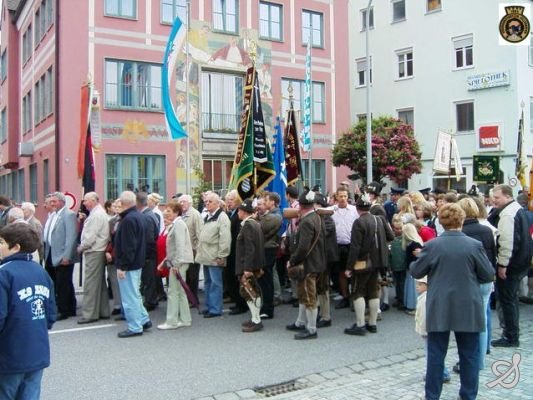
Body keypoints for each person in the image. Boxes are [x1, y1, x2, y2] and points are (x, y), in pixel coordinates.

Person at [410, 203, 494, 400]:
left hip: (440, 304)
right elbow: (488, 274)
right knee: (469, 355)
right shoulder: (474, 245)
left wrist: (418, 258)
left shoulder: (432, 245)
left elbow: (416, 271)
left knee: (436, 354)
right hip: (467, 304)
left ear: (441, 222)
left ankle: (432, 396)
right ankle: (468, 395)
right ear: (461, 220)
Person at [0, 223, 56, 399]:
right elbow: (51, 314)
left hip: (9, 353)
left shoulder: (4, 274)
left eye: (1, 242)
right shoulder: (41, 272)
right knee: (30, 394)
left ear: (15, 247)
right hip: (37, 350)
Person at [344, 193, 394, 336]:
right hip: (378, 262)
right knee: (373, 291)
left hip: (362, 262)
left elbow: (355, 248)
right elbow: (390, 236)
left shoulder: (359, 222)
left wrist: (349, 267)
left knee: (358, 291)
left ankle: (360, 324)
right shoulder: (379, 219)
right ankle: (372, 323)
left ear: (357, 208)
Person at [488, 184, 531, 347]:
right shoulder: (516, 209)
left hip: (512, 263)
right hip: (520, 261)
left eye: (497, 197)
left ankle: (511, 336)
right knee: (510, 299)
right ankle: (511, 334)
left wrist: (503, 264)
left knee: (507, 300)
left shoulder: (508, 214)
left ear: (507, 195)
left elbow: (507, 242)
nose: (494, 201)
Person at [286, 190, 326, 340]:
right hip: (314, 262)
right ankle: (301, 322)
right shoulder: (316, 217)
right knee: (304, 294)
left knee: (309, 297)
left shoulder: (307, 221)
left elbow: (303, 247)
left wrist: (293, 260)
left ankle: (311, 329)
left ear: (301, 206)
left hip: (308, 264)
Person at [114, 191, 151, 338]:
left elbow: (129, 246)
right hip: (137, 262)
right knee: (134, 294)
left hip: (129, 264)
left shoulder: (128, 219)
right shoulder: (139, 216)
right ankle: (143, 319)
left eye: (118, 203)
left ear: (123, 204)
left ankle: (135, 326)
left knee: (129, 297)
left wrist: (122, 266)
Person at [157, 200, 194, 330]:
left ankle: (171, 321)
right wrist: (164, 262)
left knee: (173, 292)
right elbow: (173, 248)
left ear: (176, 212)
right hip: (179, 262)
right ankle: (185, 319)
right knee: (180, 291)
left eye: (169, 211)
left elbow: (179, 245)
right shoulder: (176, 224)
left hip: (179, 263)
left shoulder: (178, 224)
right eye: (166, 210)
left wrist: (176, 264)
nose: (166, 212)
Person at [43, 192, 78, 321]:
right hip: (52, 253)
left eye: (54, 201)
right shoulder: (54, 215)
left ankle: (65, 310)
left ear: (62, 202)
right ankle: (67, 307)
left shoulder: (68, 215)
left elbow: (71, 237)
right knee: (60, 282)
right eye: (51, 201)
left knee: (63, 283)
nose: (52, 204)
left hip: (63, 255)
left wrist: (67, 256)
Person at [77, 192, 111, 324]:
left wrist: (82, 247)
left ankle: (89, 314)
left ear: (93, 200)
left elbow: (90, 237)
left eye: (85, 200)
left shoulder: (96, 215)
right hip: (99, 250)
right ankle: (103, 310)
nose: (84, 203)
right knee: (100, 282)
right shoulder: (98, 213)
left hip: (94, 250)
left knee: (91, 283)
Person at [195, 192, 231, 318]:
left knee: (216, 283)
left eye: (210, 201)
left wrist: (222, 255)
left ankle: (215, 309)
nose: (207, 204)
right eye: (206, 202)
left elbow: (225, 238)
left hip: (214, 256)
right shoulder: (208, 216)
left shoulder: (222, 217)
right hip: (206, 255)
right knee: (208, 282)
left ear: (217, 203)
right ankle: (210, 306)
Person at [235, 199, 266, 332]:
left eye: (239, 210)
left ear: (243, 212)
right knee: (253, 292)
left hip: (247, 265)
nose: (238, 212)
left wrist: (247, 268)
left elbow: (249, 248)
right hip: (254, 264)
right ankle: (255, 317)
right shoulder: (255, 223)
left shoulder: (248, 225)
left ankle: (256, 319)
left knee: (249, 292)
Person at [415, 276, 451, 383]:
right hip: (428, 330)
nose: (417, 287)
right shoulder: (425, 297)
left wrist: (423, 330)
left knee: (431, 353)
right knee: (433, 352)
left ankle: (439, 372)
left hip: (428, 330)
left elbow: (424, 317)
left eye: (420, 284)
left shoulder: (426, 299)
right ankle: (440, 372)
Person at [331, 187, 359, 309]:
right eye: (340, 196)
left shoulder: (354, 210)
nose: (343, 199)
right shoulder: (331, 210)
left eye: (345, 196)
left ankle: (355, 297)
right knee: (341, 273)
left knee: (354, 272)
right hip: (338, 245)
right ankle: (345, 297)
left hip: (352, 245)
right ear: (336, 197)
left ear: (348, 197)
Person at [257, 192, 282, 319]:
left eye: (266, 200)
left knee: (266, 280)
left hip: (268, 250)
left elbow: (260, 228)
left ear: (272, 202)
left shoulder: (275, 216)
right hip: (265, 249)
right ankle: (265, 305)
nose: (264, 202)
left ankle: (268, 307)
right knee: (263, 280)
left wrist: (255, 217)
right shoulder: (269, 215)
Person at [137, 192, 160, 312]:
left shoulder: (147, 216)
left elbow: (149, 239)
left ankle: (151, 301)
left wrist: (144, 255)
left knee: (149, 278)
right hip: (149, 253)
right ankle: (151, 299)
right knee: (148, 278)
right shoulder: (148, 214)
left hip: (149, 254)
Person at [225, 190, 247, 315]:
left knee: (237, 278)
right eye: (227, 200)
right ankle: (237, 301)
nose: (228, 202)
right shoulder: (232, 213)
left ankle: (241, 304)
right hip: (231, 250)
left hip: (235, 251)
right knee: (232, 278)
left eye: (231, 200)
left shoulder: (239, 215)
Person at [178, 194, 203, 303]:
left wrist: (197, 250)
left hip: (192, 250)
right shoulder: (181, 215)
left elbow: (199, 233)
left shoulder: (195, 214)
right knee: (186, 276)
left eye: (184, 201)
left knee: (193, 277)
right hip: (183, 251)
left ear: (190, 203)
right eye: (180, 202)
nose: (182, 204)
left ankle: (193, 300)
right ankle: (187, 299)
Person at [402, 223, 423, 315]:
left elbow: (417, 256)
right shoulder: (416, 242)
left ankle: (414, 306)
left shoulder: (413, 244)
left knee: (413, 288)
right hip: (414, 268)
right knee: (413, 288)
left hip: (413, 268)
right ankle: (413, 306)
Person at [389, 215, 407, 309]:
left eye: (400, 228)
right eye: (396, 228)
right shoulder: (392, 239)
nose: (398, 230)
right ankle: (399, 298)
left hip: (403, 265)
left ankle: (402, 301)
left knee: (402, 283)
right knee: (397, 283)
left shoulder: (405, 238)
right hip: (395, 264)